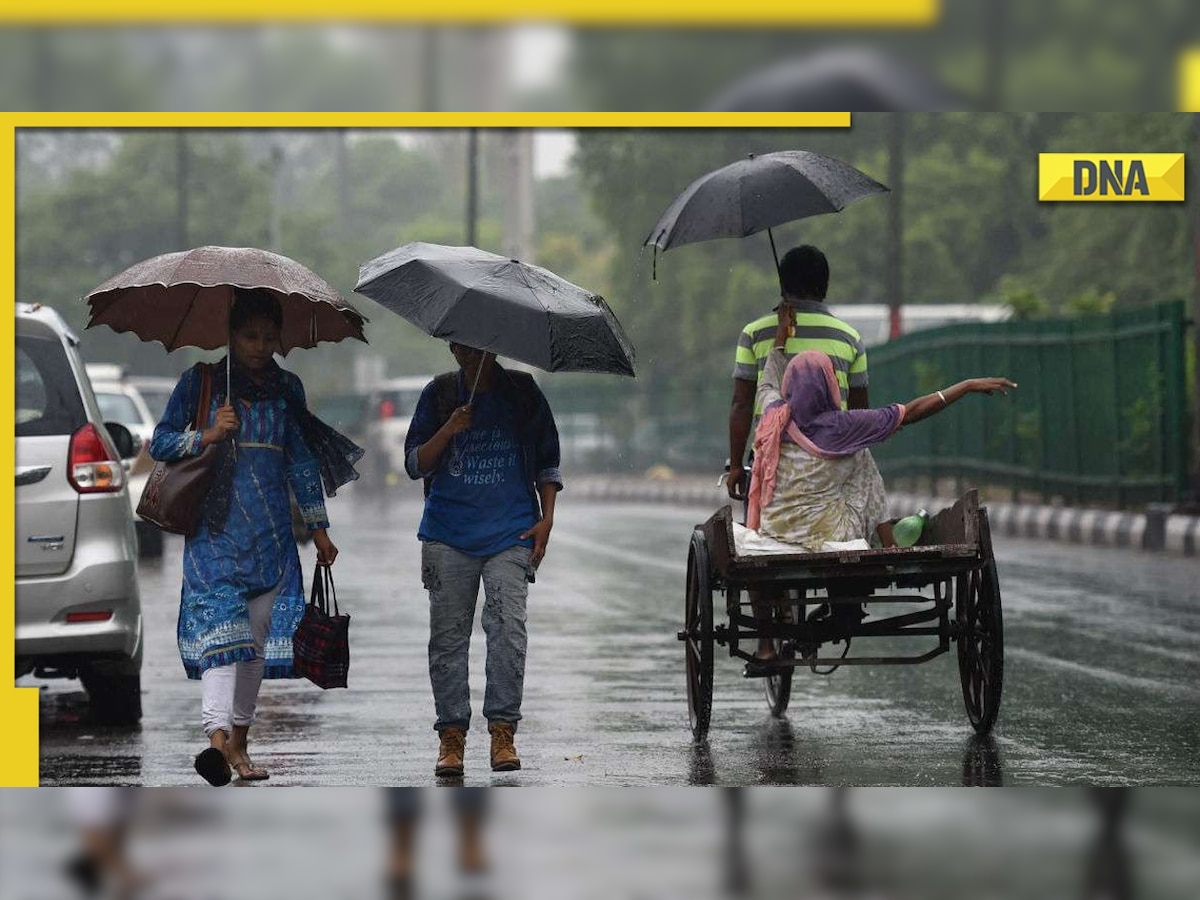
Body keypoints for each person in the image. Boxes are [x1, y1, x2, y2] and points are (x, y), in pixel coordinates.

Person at [150, 288, 362, 785]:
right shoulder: (199, 382)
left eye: (270, 337)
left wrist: (320, 528)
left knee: (255, 646)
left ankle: (238, 744)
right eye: (250, 335)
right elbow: (159, 441)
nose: (260, 345)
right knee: (224, 640)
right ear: (230, 335)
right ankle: (217, 741)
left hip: (271, 538)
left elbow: (302, 461)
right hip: (215, 537)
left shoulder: (288, 389)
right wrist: (204, 434)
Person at [404, 342, 562, 778]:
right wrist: (449, 429)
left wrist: (547, 520)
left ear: (495, 346)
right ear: (453, 348)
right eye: (464, 348)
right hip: (447, 535)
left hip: (511, 533)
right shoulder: (438, 394)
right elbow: (416, 463)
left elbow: (548, 462)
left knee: (508, 630)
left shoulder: (524, 392)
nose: (472, 356)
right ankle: (451, 739)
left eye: (482, 349)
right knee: (448, 640)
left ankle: (502, 732)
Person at [747, 308, 1016, 552]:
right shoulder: (845, 426)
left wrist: (782, 334)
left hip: (777, 530)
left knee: (856, 453)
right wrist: (966, 385)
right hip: (828, 534)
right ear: (828, 383)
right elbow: (910, 412)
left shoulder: (774, 416)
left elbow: (768, 381)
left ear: (790, 386)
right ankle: (888, 542)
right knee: (861, 454)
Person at [726, 244, 869, 506]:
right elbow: (860, 412)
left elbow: (742, 404)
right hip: (833, 460)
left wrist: (735, 465)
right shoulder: (850, 338)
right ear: (824, 286)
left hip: (771, 462)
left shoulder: (754, 334)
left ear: (783, 285)